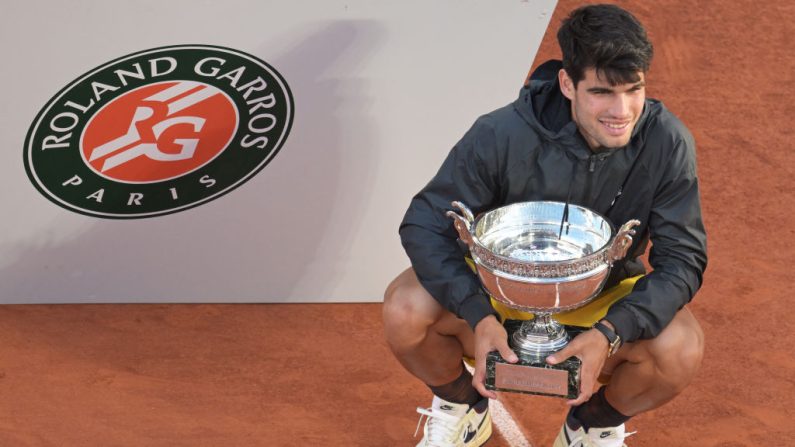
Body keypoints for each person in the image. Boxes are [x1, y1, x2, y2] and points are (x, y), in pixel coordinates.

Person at [383, 4, 707, 447]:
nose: (622, 110)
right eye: (603, 93)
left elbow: (683, 260)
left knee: (680, 349)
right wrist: (476, 313)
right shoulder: (502, 133)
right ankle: (463, 408)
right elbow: (424, 223)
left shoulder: (667, 142)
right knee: (405, 309)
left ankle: (589, 427)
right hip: (497, 294)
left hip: (600, 295)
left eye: (634, 90)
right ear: (567, 84)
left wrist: (611, 333)